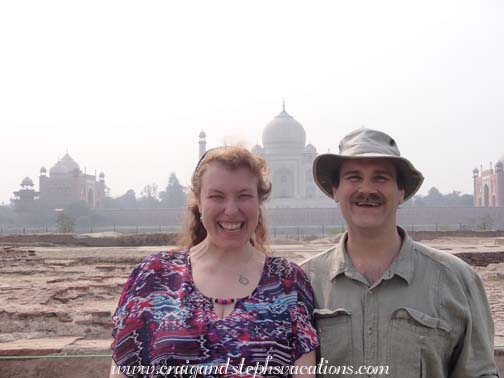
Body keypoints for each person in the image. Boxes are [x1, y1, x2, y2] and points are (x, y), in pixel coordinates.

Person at [301, 128, 499, 378]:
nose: (366, 189)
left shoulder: (456, 280)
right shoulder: (304, 281)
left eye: (380, 178)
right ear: (335, 191)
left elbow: (477, 372)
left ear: (401, 192)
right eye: (353, 177)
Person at [110, 146, 318, 378]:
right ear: (198, 201)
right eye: (217, 196)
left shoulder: (288, 281)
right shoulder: (154, 276)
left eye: (244, 196)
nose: (231, 210)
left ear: (259, 201)